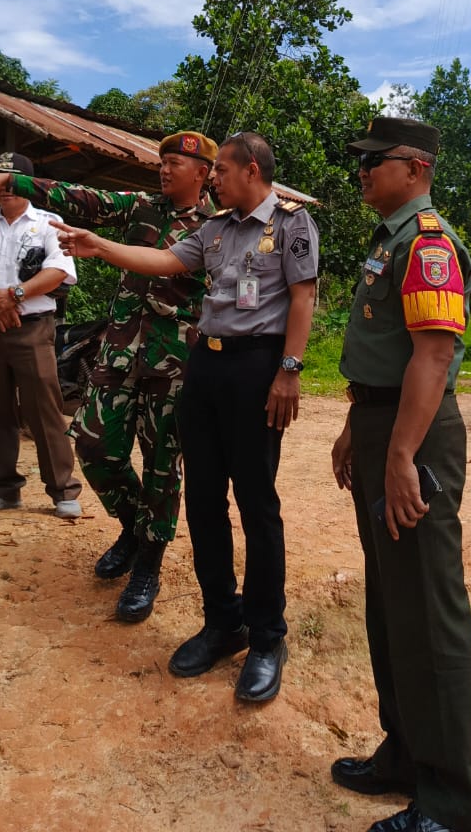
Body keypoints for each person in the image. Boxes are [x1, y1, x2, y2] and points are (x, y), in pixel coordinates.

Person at [56, 131, 319, 704]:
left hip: (257, 371)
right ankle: (224, 622)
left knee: (256, 504)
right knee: (202, 502)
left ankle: (268, 637)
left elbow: (303, 299)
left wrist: (289, 372)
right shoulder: (215, 229)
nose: (214, 178)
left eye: (220, 169)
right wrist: (100, 246)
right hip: (203, 368)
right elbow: (163, 260)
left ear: (251, 169)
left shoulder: (292, 224)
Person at [0, 132, 218, 624]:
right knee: (94, 444)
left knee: (163, 464)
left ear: (202, 172)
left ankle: (148, 563)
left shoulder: (217, 226)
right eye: (161, 161)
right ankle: (135, 527)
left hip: (174, 362)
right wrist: (12, 180)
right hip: (119, 353)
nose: (164, 170)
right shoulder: (140, 206)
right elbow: (79, 197)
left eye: (175, 163)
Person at [329, 117, 471, 832]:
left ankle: (455, 807)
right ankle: (405, 755)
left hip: (415, 435)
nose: (362, 171)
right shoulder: (390, 239)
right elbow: (387, 353)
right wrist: (353, 429)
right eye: (360, 162)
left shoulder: (428, 245)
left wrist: (398, 456)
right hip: (382, 423)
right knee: (391, 603)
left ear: (417, 167)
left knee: (430, 613)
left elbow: (431, 357)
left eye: (375, 161)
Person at [0, 152, 82, 519]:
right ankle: (3, 489)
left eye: (10, 182)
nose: (3, 189)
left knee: (44, 408)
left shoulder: (50, 223)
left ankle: (63, 491)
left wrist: (15, 296)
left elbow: (58, 271)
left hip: (34, 327)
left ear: (26, 184)